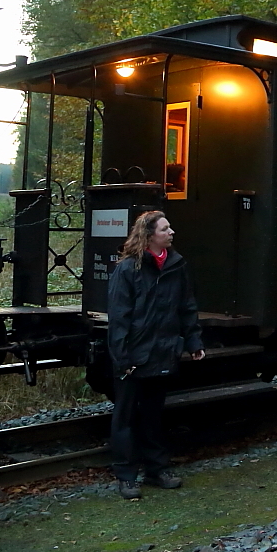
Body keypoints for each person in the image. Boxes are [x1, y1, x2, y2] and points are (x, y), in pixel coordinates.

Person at [107, 211, 205, 500]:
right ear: (150, 235)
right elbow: (119, 317)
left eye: (169, 228)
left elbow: (186, 306)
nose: (171, 232)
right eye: (165, 229)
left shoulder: (176, 266)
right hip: (133, 357)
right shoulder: (127, 269)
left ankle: (156, 470)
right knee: (125, 417)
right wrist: (123, 359)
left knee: (153, 415)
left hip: (161, 353)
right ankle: (126, 476)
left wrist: (193, 340)